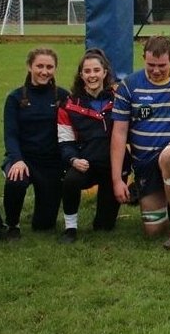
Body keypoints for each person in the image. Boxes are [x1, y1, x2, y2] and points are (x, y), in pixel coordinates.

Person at [111, 36, 170, 249]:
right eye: (151, 65)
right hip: (145, 162)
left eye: (161, 65)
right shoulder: (129, 86)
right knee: (153, 231)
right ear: (143, 58)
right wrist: (117, 179)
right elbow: (119, 133)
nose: (155, 70)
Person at [1, 47, 69, 240]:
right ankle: (12, 225)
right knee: (16, 179)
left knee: (44, 226)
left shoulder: (63, 96)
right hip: (24, 159)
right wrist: (16, 159)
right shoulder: (15, 98)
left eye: (49, 67)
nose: (44, 71)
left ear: (55, 69)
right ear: (30, 66)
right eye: (39, 66)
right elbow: (11, 135)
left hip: (50, 163)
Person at [56, 49, 120, 243]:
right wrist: (74, 159)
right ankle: (70, 228)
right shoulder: (69, 105)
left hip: (112, 167)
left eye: (96, 70)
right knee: (71, 180)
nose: (92, 75)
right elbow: (65, 141)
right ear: (81, 75)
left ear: (104, 73)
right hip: (86, 164)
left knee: (104, 227)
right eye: (87, 71)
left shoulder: (118, 99)